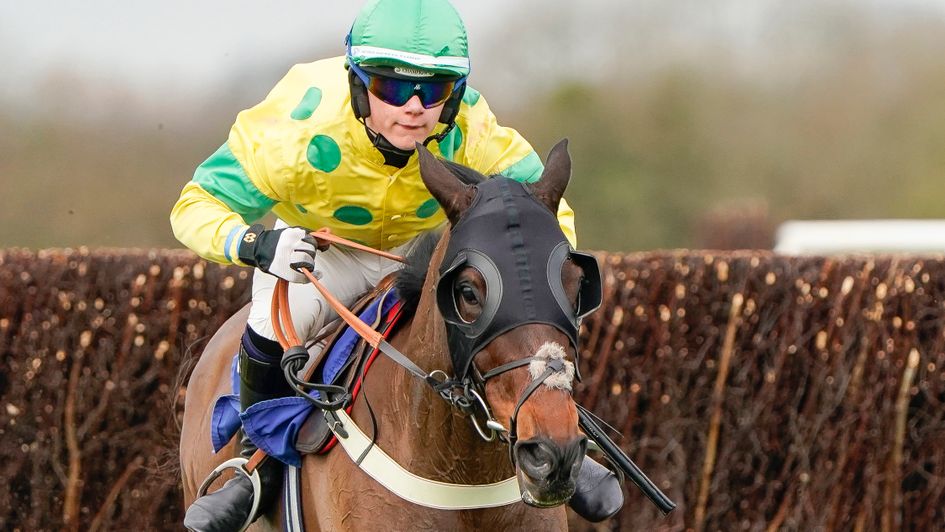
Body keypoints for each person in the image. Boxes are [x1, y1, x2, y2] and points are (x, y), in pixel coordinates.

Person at [171, 0, 622, 529]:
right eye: (391, 87)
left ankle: (561, 440)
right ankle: (255, 468)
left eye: (432, 91)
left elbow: (549, 213)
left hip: (422, 253)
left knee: (505, 315)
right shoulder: (292, 132)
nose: (413, 107)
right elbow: (195, 205)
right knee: (271, 316)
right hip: (322, 255)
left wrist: (542, 283)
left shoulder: (475, 129)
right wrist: (256, 246)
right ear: (359, 85)